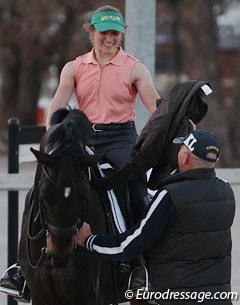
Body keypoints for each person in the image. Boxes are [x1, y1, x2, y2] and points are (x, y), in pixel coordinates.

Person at [0, 5, 160, 301]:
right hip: (80, 137)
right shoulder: (74, 67)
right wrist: (54, 140)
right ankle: (23, 269)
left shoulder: (135, 67)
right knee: (40, 188)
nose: (109, 39)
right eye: (104, 33)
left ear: (122, 34)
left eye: (115, 33)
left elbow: (155, 105)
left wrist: (172, 120)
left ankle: (135, 267)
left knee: (137, 189)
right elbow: (57, 107)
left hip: (119, 138)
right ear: (92, 32)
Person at [76, 130, 235, 305]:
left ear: (185, 157)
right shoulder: (227, 192)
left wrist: (90, 241)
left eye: (181, 148)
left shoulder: (170, 196)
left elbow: (131, 244)